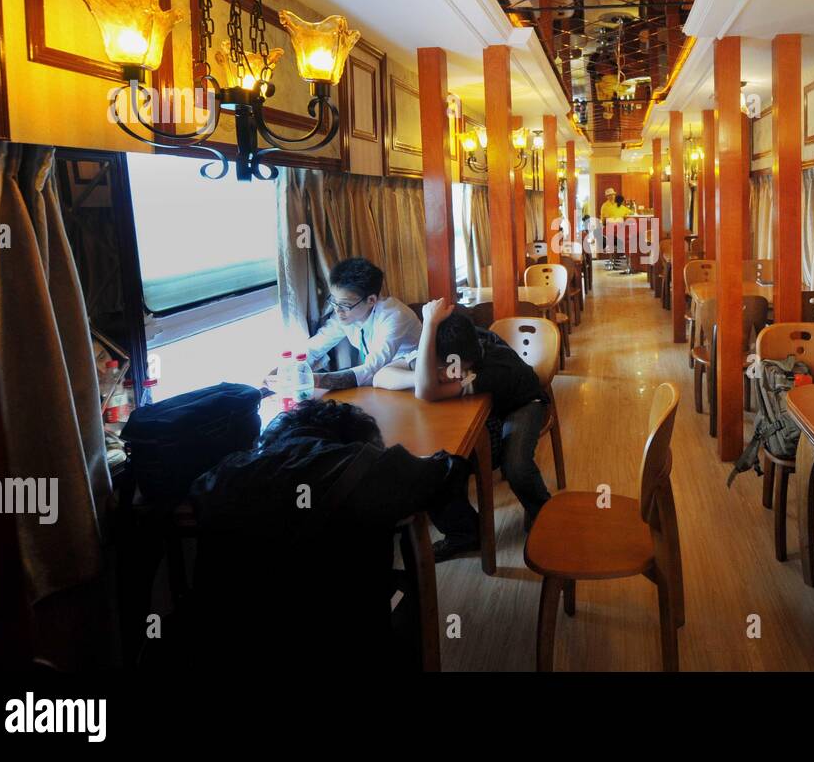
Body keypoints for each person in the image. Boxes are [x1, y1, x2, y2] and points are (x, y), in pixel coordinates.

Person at [185, 398, 465, 668]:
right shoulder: (362, 465)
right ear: (355, 439)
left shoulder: (224, 473)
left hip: (225, 647)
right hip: (335, 643)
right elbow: (450, 471)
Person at [412, 298, 550, 560]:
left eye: (449, 369)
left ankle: (543, 512)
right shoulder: (460, 340)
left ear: (467, 363)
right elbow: (388, 375)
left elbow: (426, 390)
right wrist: (428, 353)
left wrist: (429, 323)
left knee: (516, 466)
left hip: (523, 404)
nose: (444, 372)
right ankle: (464, 534)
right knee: (443, 462)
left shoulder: (492, 370)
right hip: (485, 407)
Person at [303, 257, 421, 390]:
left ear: (371, 300)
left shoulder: (393, 315)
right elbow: (315, 347)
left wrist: (316, 380)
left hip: (410, 375)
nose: (337, 310)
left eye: (345, 304)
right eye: (334, 301)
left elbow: (372, 367)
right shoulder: (345, 315)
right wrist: (292, 368)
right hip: (381, 381)